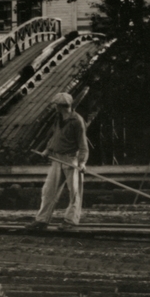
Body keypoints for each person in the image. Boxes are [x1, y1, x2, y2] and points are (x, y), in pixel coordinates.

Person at [25, 92, 88, 231]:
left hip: (71, 160)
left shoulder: (77, 121)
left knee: (74, 193)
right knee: (48, 190)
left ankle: (70, 221)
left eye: (56, 105)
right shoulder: (58, 118)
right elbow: (55, 136)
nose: (54, 107)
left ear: (61, 106)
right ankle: (42, 220)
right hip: (57, 159)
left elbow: (83, 145)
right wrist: (48, 150)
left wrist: (82, 162)